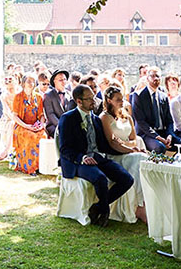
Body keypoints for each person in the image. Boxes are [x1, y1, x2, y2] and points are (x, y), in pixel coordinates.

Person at [58, 85, 134, 227]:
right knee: (100, 178)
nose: (94, 101)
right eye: (89, 99)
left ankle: (97, 207)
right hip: (77, 162)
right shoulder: (68, 118)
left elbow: (105, 146)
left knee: (127, 179)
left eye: (94, 97)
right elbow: (64, 149)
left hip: (97, 158)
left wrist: (128, 150)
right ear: (79, 101)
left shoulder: (96, 119)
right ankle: (104, 212)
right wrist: (82, 158)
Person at [101, 87, 147, 223]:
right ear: (109, 100)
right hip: (115, 156)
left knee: (142, 159)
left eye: (122, 99)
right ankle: (139, 208)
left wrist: (129, 145)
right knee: (139, 159)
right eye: (118, 100)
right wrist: (130, 149)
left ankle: (143, 204)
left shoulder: (127, 116)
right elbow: (112, 142)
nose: (122, 102)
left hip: (127, 151)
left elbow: (134, 139)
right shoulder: (105, 118)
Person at [10, 74, 46, 175]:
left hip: (35, 125)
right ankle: (30, 168)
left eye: (33, 81)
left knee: (43, 135)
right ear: (23, 83)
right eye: (28, 81)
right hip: (22, 126)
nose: (31, 83)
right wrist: (26, 126)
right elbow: (15, 116)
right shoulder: (18, 97)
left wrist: (41, 125)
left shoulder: (38, 97)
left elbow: (41, 115)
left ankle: (40, 166)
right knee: (30, 137)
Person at [132, 70, 175, 151]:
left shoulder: (163, 96)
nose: (156, 78)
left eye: (158, 76)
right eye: (152, 76)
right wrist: (158, 137)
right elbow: (141, 122)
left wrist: (169, 135)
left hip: (163, 132)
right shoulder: (138, 96)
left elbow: (169, 120)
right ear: (147, 79)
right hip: (146, 134)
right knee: (160, 147)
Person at [42, 69, 72, 138]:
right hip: (53, 126)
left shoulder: (69, 95)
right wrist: (62, 125)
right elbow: (50, 114)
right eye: (60, 80)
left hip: (67, 125)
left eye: (65, 79)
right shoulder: (48, 95)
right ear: (54, 81)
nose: (63, 82)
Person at [0, 75, 18, 161]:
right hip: (8, 118)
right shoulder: (3, 96)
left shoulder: (19, 93)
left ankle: (6, 151)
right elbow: (7, 111)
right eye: (6, 80)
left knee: (12, 124)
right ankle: (7, 151)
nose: (8, 81)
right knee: (10, 124)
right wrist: (14, 119)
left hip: (19, 117)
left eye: (10, 80)